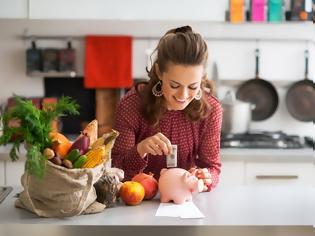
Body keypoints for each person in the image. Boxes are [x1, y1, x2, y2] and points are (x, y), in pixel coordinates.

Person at [111, 26, 222, 192]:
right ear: (159, 73)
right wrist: (140, 149)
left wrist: (204, 177)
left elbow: (212, 168)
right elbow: (116, 170)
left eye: (193, 86)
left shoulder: (211, 110)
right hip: (138, 202)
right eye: (174, 85)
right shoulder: (131, 105)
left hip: (184, 202)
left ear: (202, 78)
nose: (183, 95)